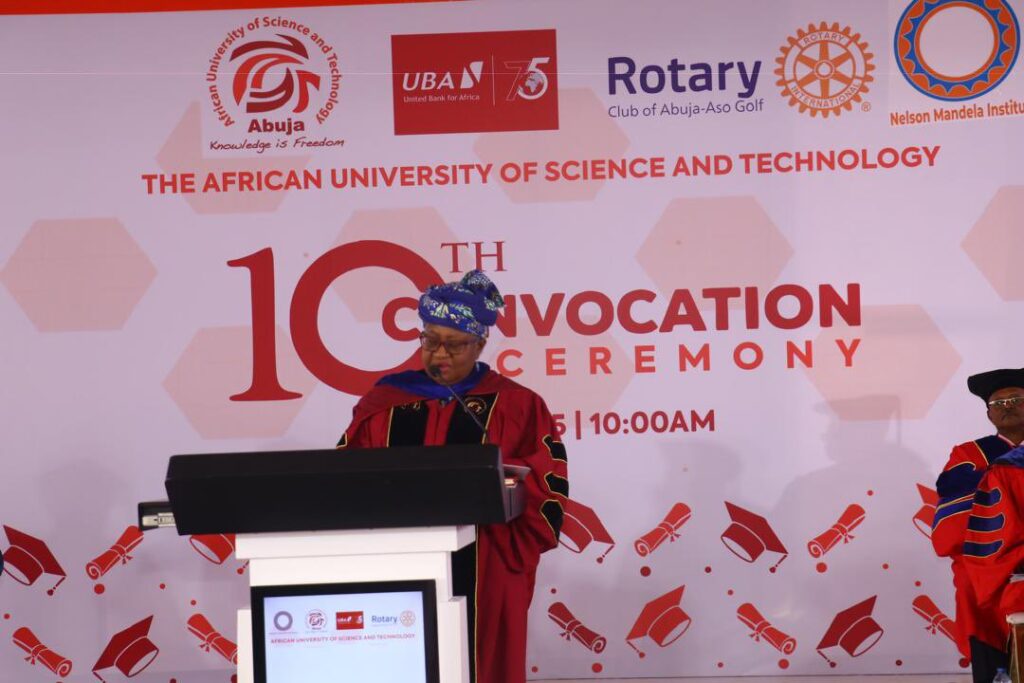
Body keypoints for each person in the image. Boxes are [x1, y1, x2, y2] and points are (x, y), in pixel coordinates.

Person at [336, 270, 569, 683]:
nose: (439, 354)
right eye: (430, 340)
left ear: (479, 344)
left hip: (485, 561)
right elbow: (345, 477)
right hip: (396, 558)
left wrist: (506, 489)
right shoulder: (384, 402)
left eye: (454, 344)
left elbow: (545, 483)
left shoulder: (517, 405)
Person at [932, 368, 1024, 682]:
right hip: (985, 572)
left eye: (1016, 399)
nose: (1007, 406)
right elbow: (954, 524)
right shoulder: (970, 454)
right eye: (998, 403)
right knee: (993, 666)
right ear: (989, 414)